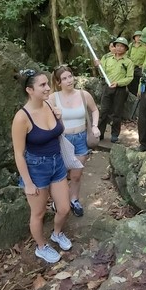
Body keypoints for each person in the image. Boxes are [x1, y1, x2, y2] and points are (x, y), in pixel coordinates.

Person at [11, 69, 73, 264]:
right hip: (36, 168)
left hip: (57, 163)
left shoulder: (49, 103)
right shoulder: (21, 117)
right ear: (30, 90)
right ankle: (41, 247)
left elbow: (59, 131)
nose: (48, 88)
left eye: (48, 84)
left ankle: (56, 233)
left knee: (64, 208)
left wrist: (59, 116)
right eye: (43, 85)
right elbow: (18, 154)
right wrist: (28, 183)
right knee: (38, 213)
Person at [49, 66, 100, 217]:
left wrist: (95, 126)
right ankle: (59, 201)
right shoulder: (53, 98)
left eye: (70, 76)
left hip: (80, 138)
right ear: (58, 82)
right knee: (61, 175)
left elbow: (95, 110)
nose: (69, 80)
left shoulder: (84, 95)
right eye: (64, 78)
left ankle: (74, 199)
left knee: (76, 175)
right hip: (62, 140)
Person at [93, 37, 134, 143]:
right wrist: (98, 66)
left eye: (122, 46)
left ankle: (114, 135)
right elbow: (102, 73)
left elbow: (130, 77)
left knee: (117, 113)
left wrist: (118, 83)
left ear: (125, 49)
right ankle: (100, 133)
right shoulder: (107, 59)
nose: (119, 48)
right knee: (104, 111)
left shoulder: (128, 62)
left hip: (120, 90)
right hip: (107, 88)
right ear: (114, 47)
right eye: (117, 46)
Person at [127, 30, 146, 96]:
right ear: (134, 38)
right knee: (131, 82)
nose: (138, 38)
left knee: (142, 81)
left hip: (140, 68)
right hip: (132, 67)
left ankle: (141, 94)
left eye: (140, 36)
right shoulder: (131, 46)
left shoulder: (145, 46)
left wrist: (143, 65)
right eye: (137, 36)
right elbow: (127, 55)